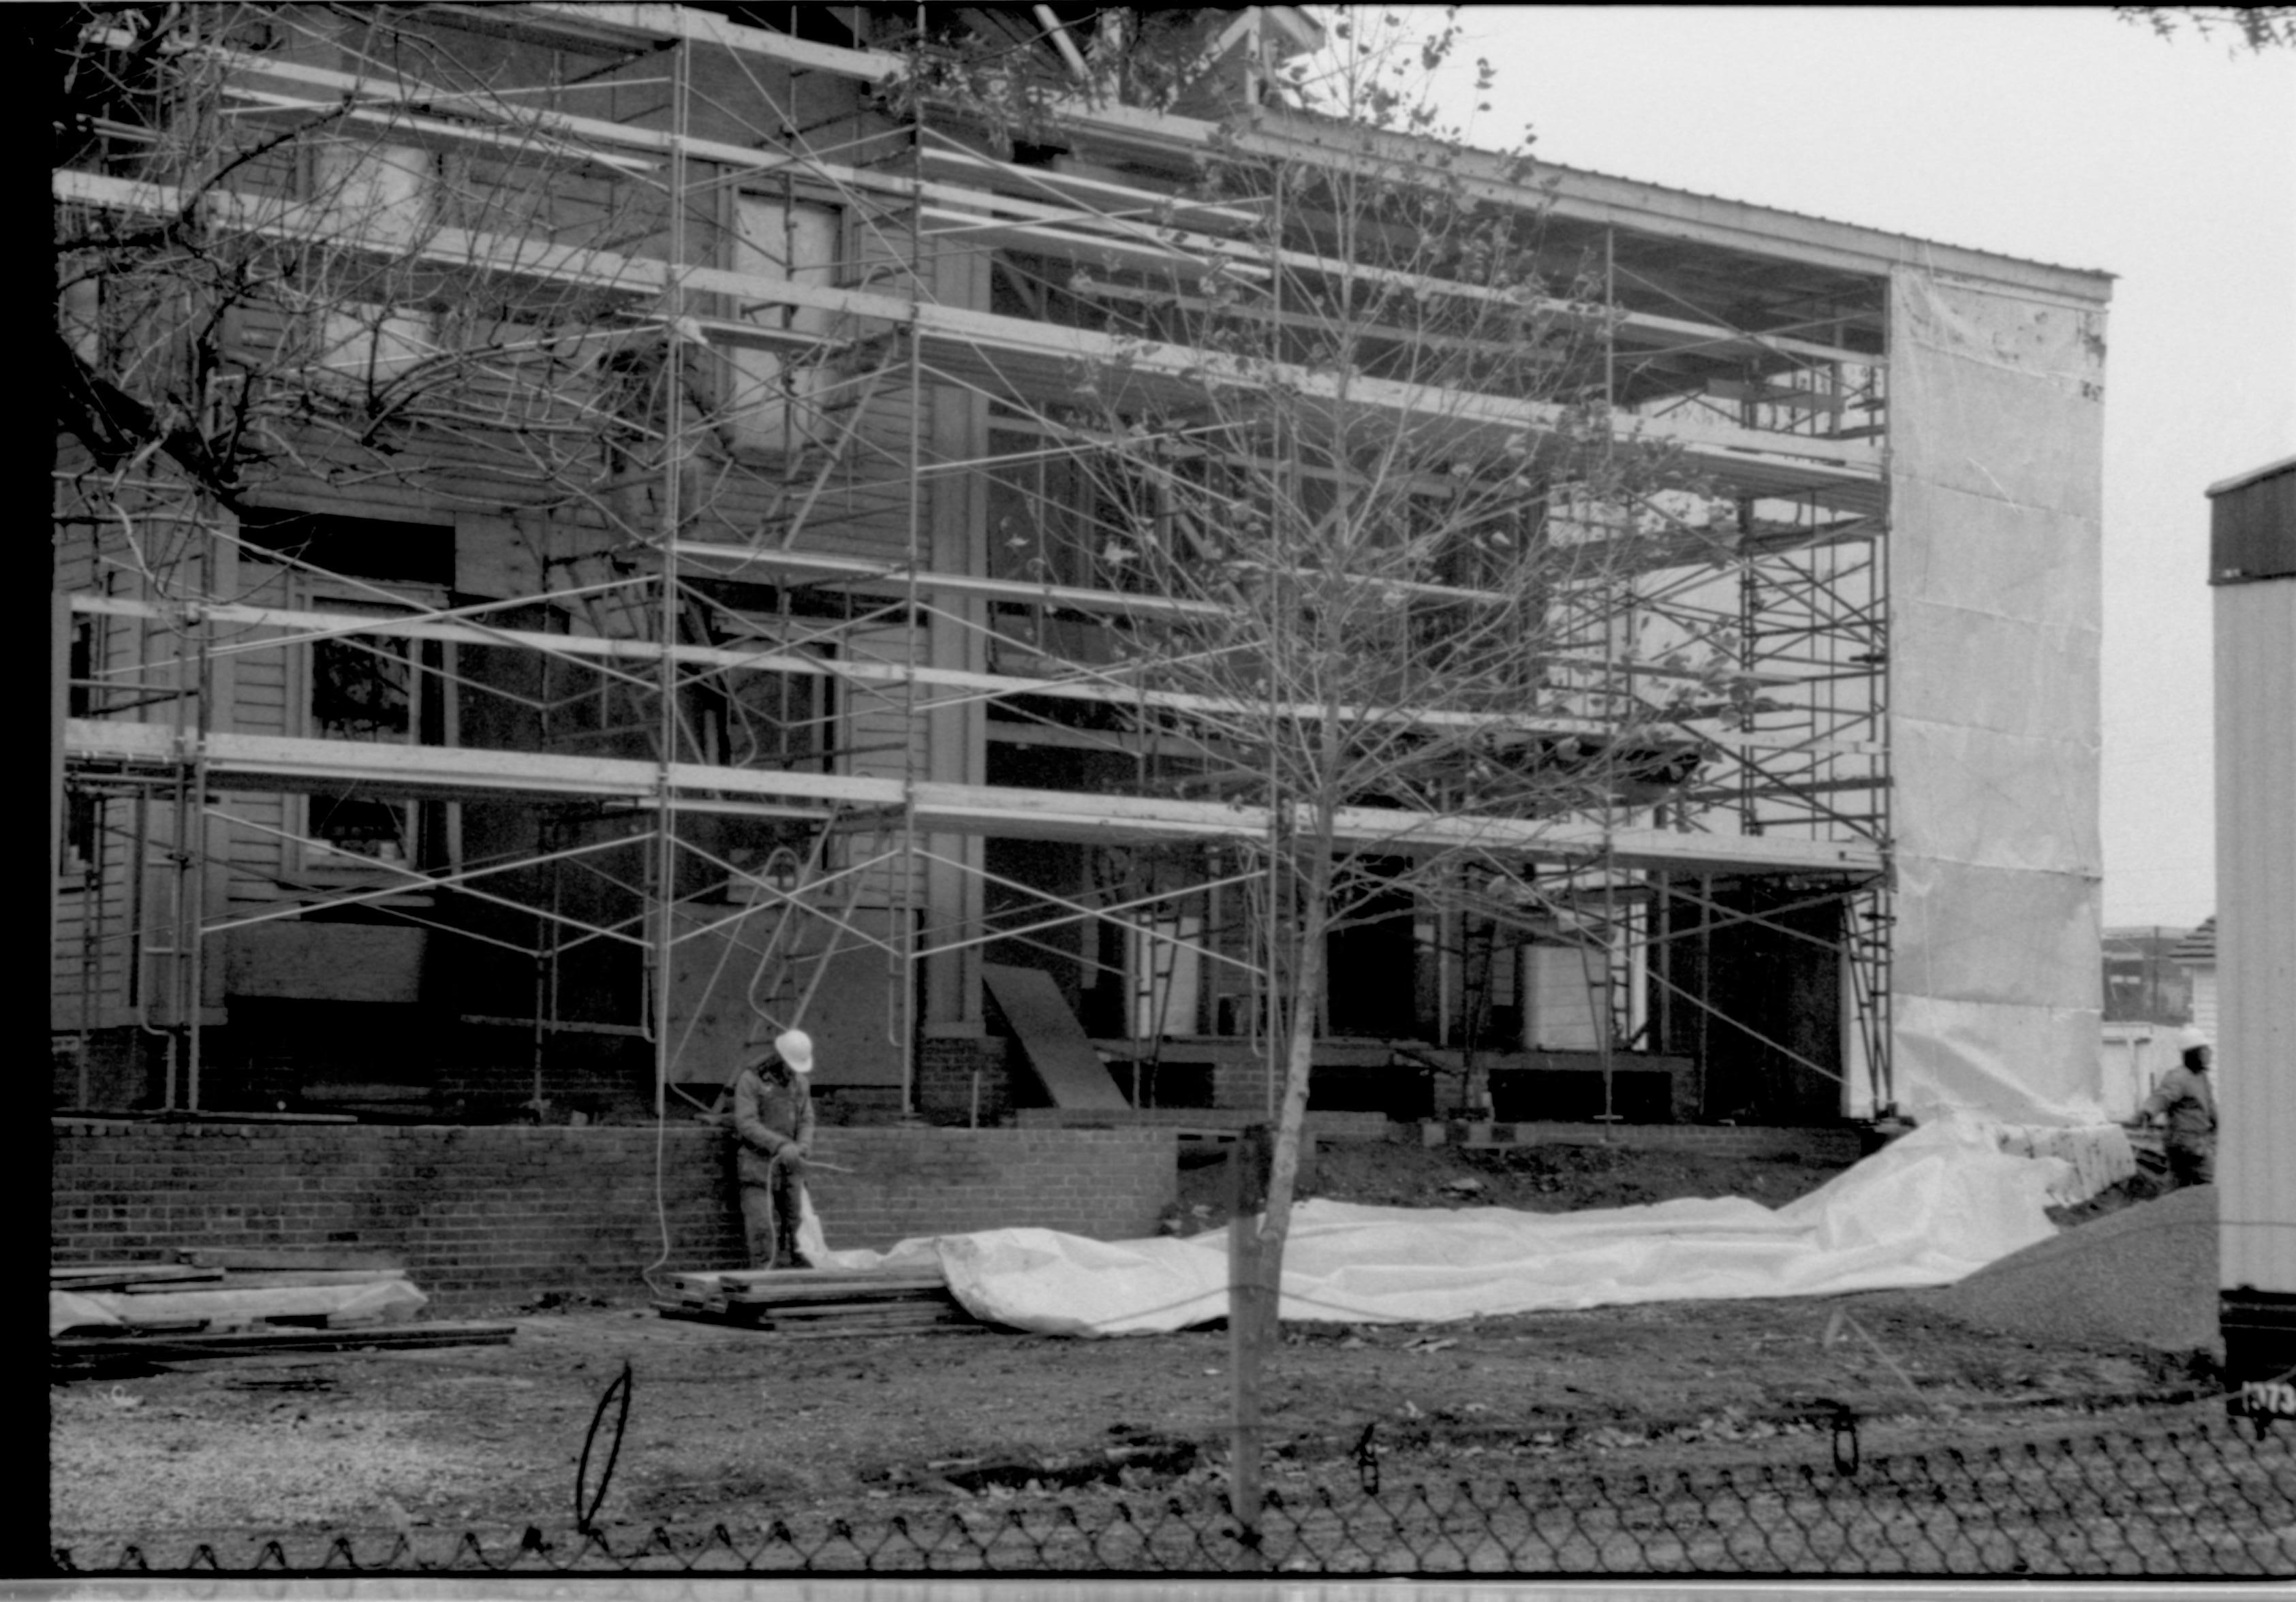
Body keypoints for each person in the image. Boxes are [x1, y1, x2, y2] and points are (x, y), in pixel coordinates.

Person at [732, 1028, 816, 1269]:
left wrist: (802, 1145)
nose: (793, 1071)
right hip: (757, 1164)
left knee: (802, 1226)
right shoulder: (752, 1080)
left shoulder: (800, 1083)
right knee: (761, 1228)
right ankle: (762, 1281)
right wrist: (779, 1144)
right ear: (779, 1056)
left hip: (792, 1165)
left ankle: (805, 1283)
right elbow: (746, 1123)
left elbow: (807, 1119)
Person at [2140, 1026, 2218, 1189]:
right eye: (2204, 1051)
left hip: (2196, 1140)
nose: (2209, 1055)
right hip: (2185, 1142)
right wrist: (2147, 1112)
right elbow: (2163, 1096)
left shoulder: (2202, 1077)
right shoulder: (2179, 1077)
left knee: (2179, 1184)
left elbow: (2210, 1106)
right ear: (2193, 1053)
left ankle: (2171, 1208)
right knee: (2209, 1181)